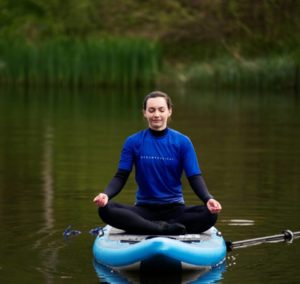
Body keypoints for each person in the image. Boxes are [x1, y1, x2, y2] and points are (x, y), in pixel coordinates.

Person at [93, 91, 222, 235]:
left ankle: (148, 227)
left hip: (175, 210)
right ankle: (160, 229)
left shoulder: (183, 142)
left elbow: (194, 177)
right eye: (151, 110)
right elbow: (121, 176)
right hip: (143, 210)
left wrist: (208, 198)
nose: (156, 115)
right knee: (105, 209)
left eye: (161, 110)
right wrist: (106, 195)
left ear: (169, 111)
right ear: (145, 113)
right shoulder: (133, 142)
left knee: (210, 214)